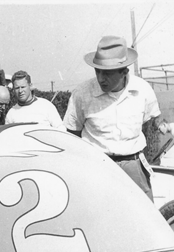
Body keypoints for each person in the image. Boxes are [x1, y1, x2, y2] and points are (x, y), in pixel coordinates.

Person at [63, 35, 173, 200]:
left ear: (124, 71)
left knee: (144, 216)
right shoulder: (81, 94)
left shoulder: (142, 90)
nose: (100, 78)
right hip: (96, 166)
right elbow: (72, 134)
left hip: (134, 165)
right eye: (97, 70)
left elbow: (154, 122)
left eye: (107, 73)